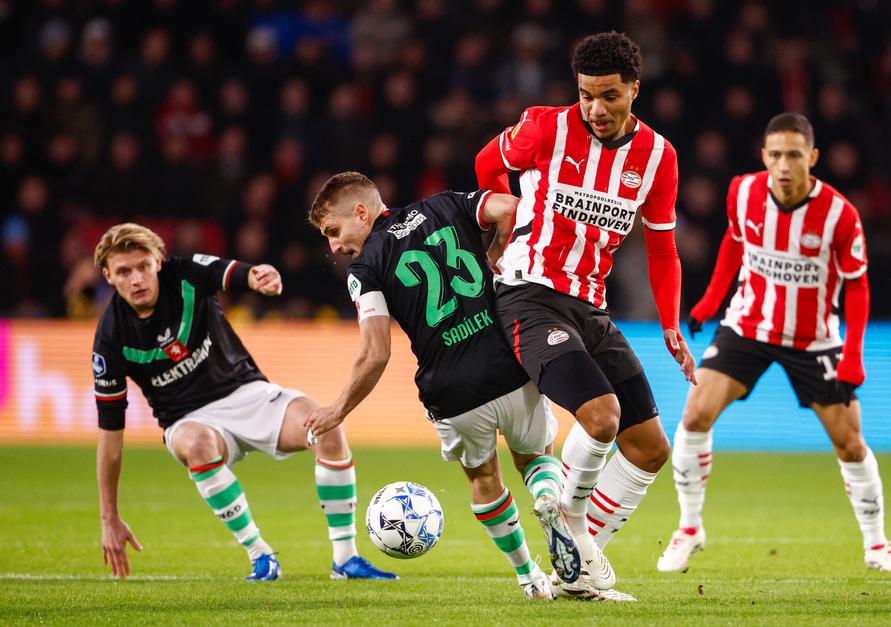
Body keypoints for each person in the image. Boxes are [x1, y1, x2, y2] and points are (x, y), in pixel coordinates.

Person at [304, 172, 633, 601]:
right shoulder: (445, 205)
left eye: (334, 231)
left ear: (361, 212)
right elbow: (512, 209)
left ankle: (529, 578)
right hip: (507, 364)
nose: (334, 246)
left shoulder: (365, 268)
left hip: (451, 390)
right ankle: (550, 499)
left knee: (483, 478)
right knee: (535, 456)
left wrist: (337, 410)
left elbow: (376, 353)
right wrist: (495, 254)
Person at [474, 31, 695, 595]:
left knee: (650, 449)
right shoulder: (546, 126)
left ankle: (575, 565)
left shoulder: (659, 157)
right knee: (601, 416)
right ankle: (569, 524)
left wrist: (671, 323)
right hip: (528, 293)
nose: (595, 109)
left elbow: (664, 248)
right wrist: (501, 221)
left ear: (634, 91)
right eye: (585, 95)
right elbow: (486, 163)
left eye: (609, 96)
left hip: (591, 305)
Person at [656, 113, 891, 573]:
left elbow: (857, 286)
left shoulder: (840, 213)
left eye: (794, 155)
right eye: (775, 154)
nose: (783, 164)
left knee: (850, 443)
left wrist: (853, 354)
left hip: (813, 339)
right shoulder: (743, 191)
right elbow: (735, 243)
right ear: (763, 156)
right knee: (694, 414)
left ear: (812, 158)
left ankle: (877, 545)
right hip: (748, 326)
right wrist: (710, 302)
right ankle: (689, 528)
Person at [93, 223, 397, 581]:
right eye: (124, 271)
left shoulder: (185, 274)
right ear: (108, 276)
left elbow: (233, 272)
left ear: (158, 261)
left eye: (143, 266)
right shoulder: (110, 339)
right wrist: (109, 518)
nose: (137, 279)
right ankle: (260, 555)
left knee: (328, 428)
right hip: (188, 419)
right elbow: (110, 441)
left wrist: (258, 276)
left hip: (247, 392)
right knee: (197, 443)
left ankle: (345, 559)